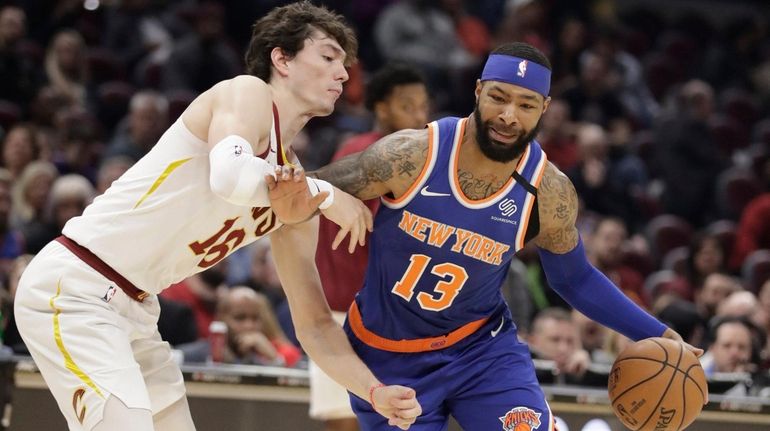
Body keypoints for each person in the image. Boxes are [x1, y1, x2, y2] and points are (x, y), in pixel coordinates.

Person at [14, 3, 420, 431]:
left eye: (346, 64)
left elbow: (315, 325)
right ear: (281, 58)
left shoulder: (293, 189)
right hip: (77, 286)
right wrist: (326, 193)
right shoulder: (246, 93)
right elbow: (229, 176)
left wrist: (373, 391)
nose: (343, 74)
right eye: (328, 56)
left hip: (135, 310)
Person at [290, 41, 703, 429]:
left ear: (544, 107)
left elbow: (573, 278)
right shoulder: (411, 155)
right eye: (499, 97)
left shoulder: (549, 192)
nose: (509, 115)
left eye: (525, 104)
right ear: (478, 91)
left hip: (481, 351)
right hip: (387, 355)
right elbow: (301, 191)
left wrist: (662, 336)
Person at [312, 63, 428, 431]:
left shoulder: (350, 149)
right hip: (365, 315)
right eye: (408, 106)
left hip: (339, 309)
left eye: (424, 106)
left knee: (346, 421)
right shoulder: (385, 160)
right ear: (381, 108)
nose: (420, 115)